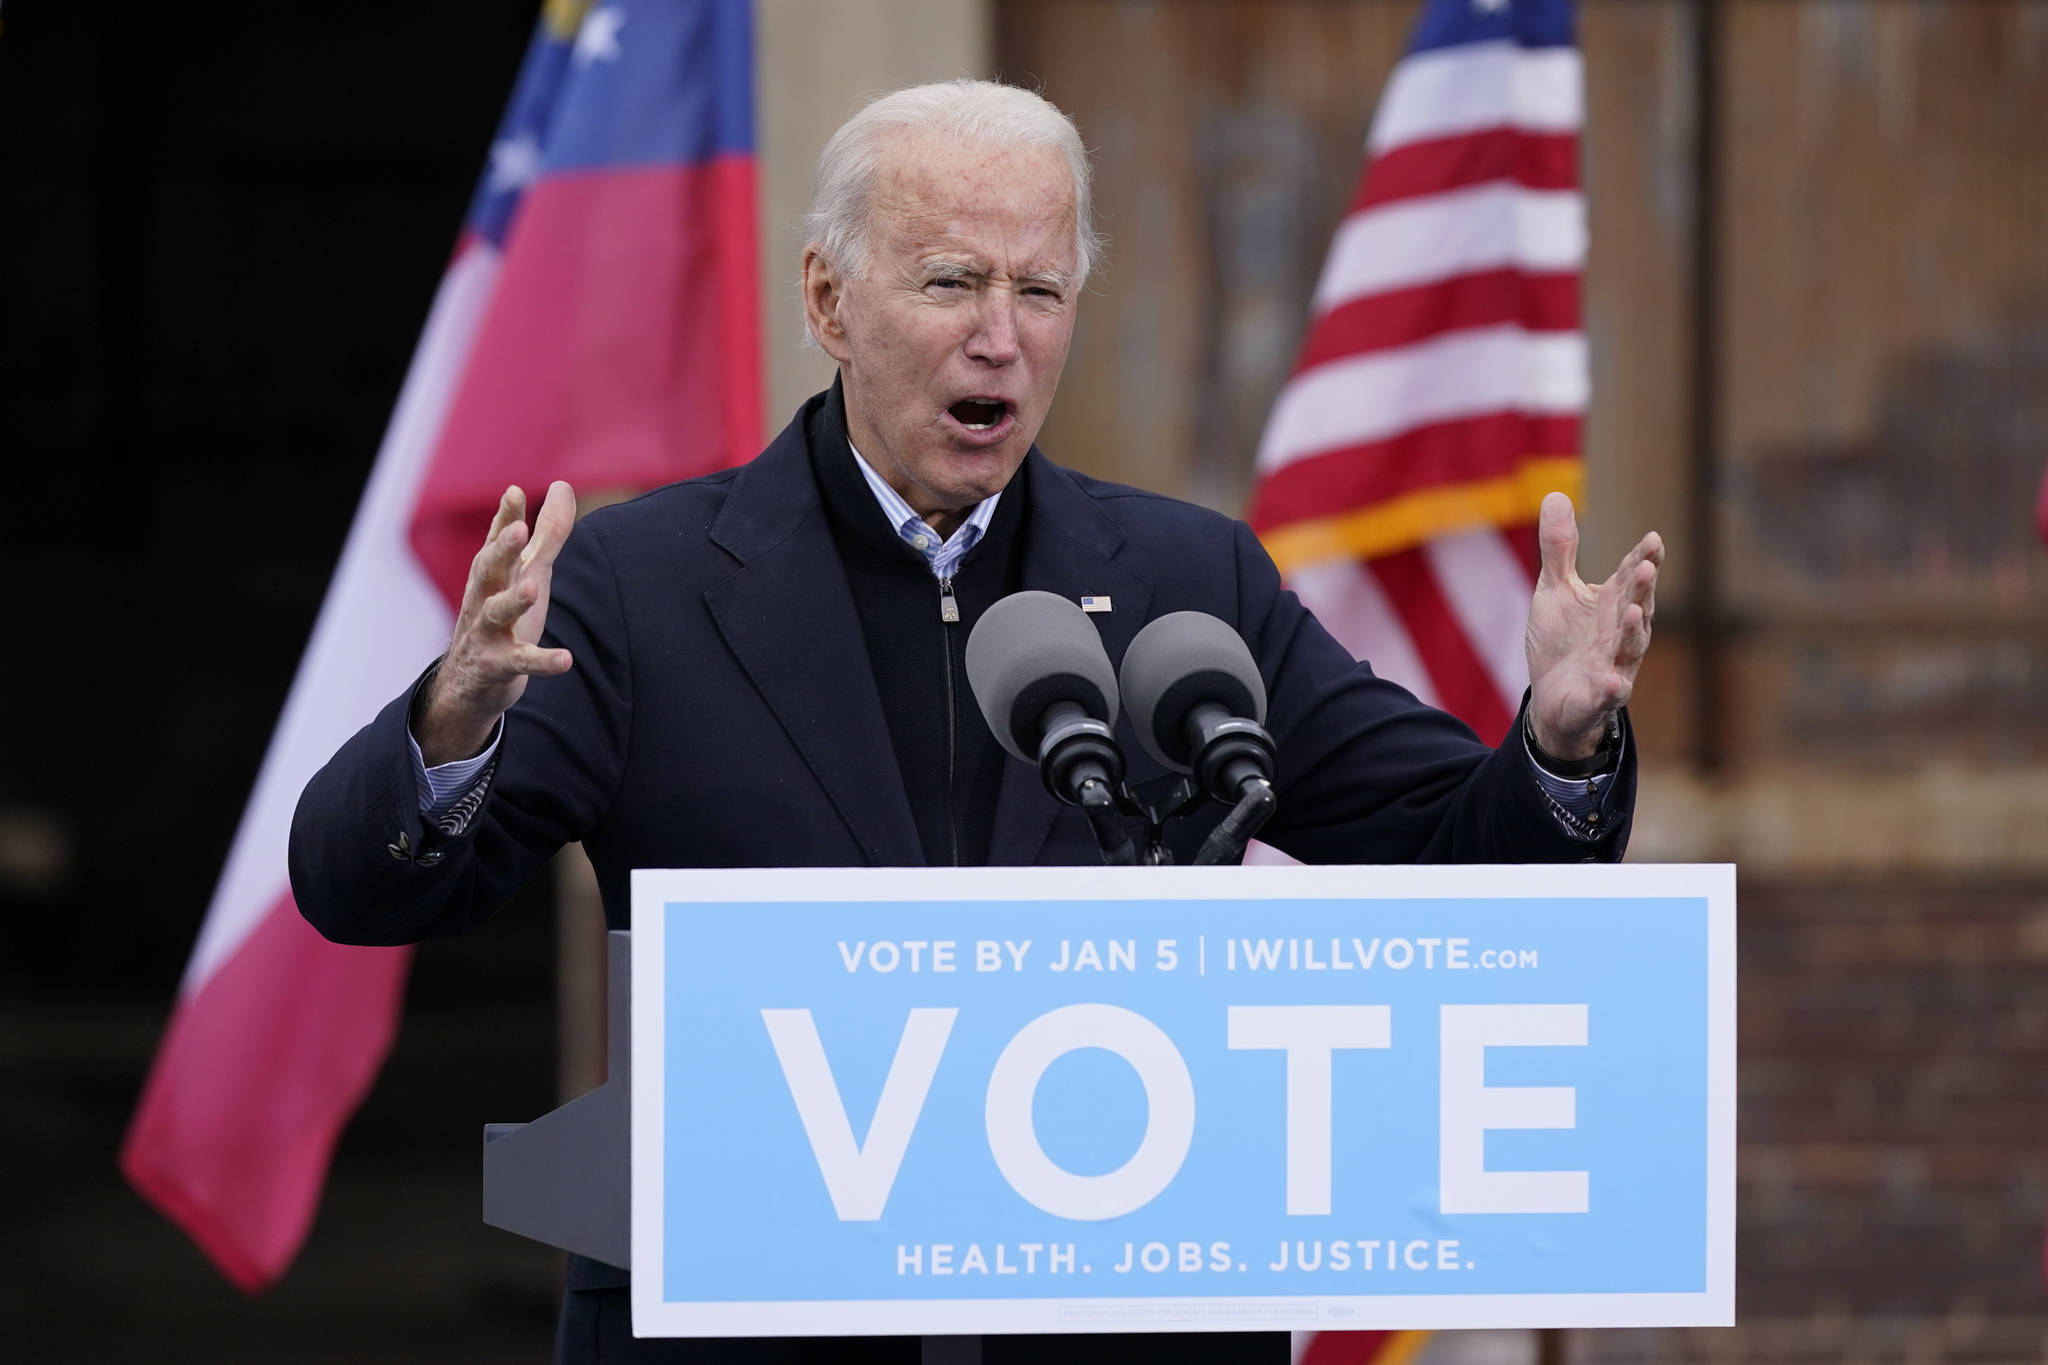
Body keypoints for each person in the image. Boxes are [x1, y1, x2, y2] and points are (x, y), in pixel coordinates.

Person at [292, 80, 1660, 1365]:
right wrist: (454, 718)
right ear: (829, 300)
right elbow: (364, 888)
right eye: (951, 281)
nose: (999, 334)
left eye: (1040, 288)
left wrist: (1561, 742)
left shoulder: (1192, 585)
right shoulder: (640, 588)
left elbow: (1464, 857)